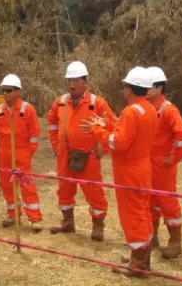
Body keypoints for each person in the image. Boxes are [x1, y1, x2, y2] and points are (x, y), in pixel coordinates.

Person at [81, 67, 158, 277]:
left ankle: (137, 264)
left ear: (129, 90)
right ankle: (142, 256)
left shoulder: (132, 111)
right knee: (142, 212)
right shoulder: (148, 109)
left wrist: (96, 131)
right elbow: (126, 130)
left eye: (124, 87)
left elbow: (120, 141)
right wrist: (105, 123)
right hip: (141, 167)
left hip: (129, 170)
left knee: (133, 215)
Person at [46, 61, 117, 241]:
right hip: (65, 155)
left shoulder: (98, 103)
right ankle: (67, 223)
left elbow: (113, 126)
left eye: (76, 81)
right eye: (69, 80)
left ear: (85, 82)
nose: (71, 85)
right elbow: (51, 121)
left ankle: (98, 226)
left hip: (89, 156)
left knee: (94, 191)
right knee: (64, 189)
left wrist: (104, 147)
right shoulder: (60, 102)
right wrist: (55, 144)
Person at [0, 74, 43, 231]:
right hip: (4, 154)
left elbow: (35, 136)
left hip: (21, 154)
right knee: (7, 187)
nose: (5, 94)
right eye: (3, 90)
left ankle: (35, 218)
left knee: (27, 187)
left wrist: (27, 154)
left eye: (9, 90)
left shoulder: (27, 110)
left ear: (18, 92)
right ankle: (13, 214)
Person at [146, 66, 182, 259]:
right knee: (150, 201)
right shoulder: (147, 108)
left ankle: (175, 242)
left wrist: (173, 158)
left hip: (163, 167)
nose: (145, 90)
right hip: (148, 164)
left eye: (149, 86)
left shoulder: (168, 110)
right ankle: (153, 236)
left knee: (167, 202)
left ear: (159, 88)